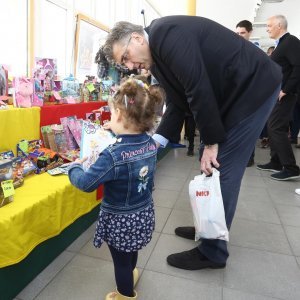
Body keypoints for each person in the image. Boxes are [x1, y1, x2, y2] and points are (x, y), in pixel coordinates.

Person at [102, 16, 281, 270]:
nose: (130, 66)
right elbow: (178, 99)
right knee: (207, 163)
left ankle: (213, 252)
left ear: (137, 38)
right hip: (234, 92)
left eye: (126, 57)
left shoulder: (167, 34)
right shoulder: (157, 53)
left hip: (254, 88)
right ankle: (205, 226)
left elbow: (198, 86)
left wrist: (210, 142)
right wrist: (156, 143)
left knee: (221, 166)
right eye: (125, 64)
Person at [68, 78, 163, 299]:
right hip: (143, 212)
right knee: (132, 250)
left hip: (120, 219)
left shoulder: (112, 155)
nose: (110, 119)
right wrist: (116, 130)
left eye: (112, 115)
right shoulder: (150, 143)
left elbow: (86, 183)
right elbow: (132, 145)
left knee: (120, 260)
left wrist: (73, 167)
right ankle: (131, 274)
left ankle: (124, 293)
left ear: (119, 115)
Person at [257, 15, 300, 180]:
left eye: (269, 25)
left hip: (285, 95)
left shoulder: (291, 42)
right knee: (271, 126)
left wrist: (286, 90)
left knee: (276, 128)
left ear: (280, 25)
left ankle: (291, 168)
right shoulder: (282, 44)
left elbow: (298, 66)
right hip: (277, 94)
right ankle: (275, 161)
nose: (267, 28)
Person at [236, 20, 255, 166]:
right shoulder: (234, 50)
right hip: (236, 94)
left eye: (242, 33)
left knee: (249, 128)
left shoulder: (255, 52)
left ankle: (249, 157)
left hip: (250, 94)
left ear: (250, 33)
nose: (239, 36)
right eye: (237, 33)